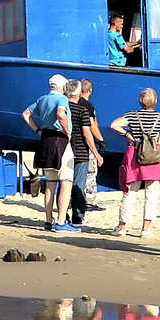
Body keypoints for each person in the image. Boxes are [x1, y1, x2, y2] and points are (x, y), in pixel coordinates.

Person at [109, 87, 160, 238]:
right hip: (155, 156)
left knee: (129, 192)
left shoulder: (132, 116)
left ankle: (122, 227)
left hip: (135, 154)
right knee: (152, 193)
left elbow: (114, 125)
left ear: (140, 100)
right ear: (155, 101)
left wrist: (128, 134)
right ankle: (145, 229)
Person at [21, 73, 76, 232]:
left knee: (50, 183)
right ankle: (60, 221)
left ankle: (48, 221)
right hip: (60, 140)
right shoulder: (62, 99)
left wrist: (37, 129)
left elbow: (25, 114)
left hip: (45, 140)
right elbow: (60, 114)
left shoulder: (42, 99)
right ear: (63, 87)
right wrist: (67, 131)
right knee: (66, 181)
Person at [65, 80, 102, 225]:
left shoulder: (62, 108)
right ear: (89, 90)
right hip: (81, 150)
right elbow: (89, 129)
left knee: (64, 182)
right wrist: (100, 140)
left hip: (64, 149)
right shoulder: (85, 108)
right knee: (84, 181)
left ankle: (62, 215)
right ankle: (79, 216)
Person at [79, 79, 104, 209]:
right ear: (90, 90)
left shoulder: (73, 103)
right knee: (90, 172)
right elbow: (91, 124)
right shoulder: (87, 106)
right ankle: (89, 201)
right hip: (87, 143)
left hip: (74, 143)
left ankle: (75, 199)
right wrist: (100, 139)